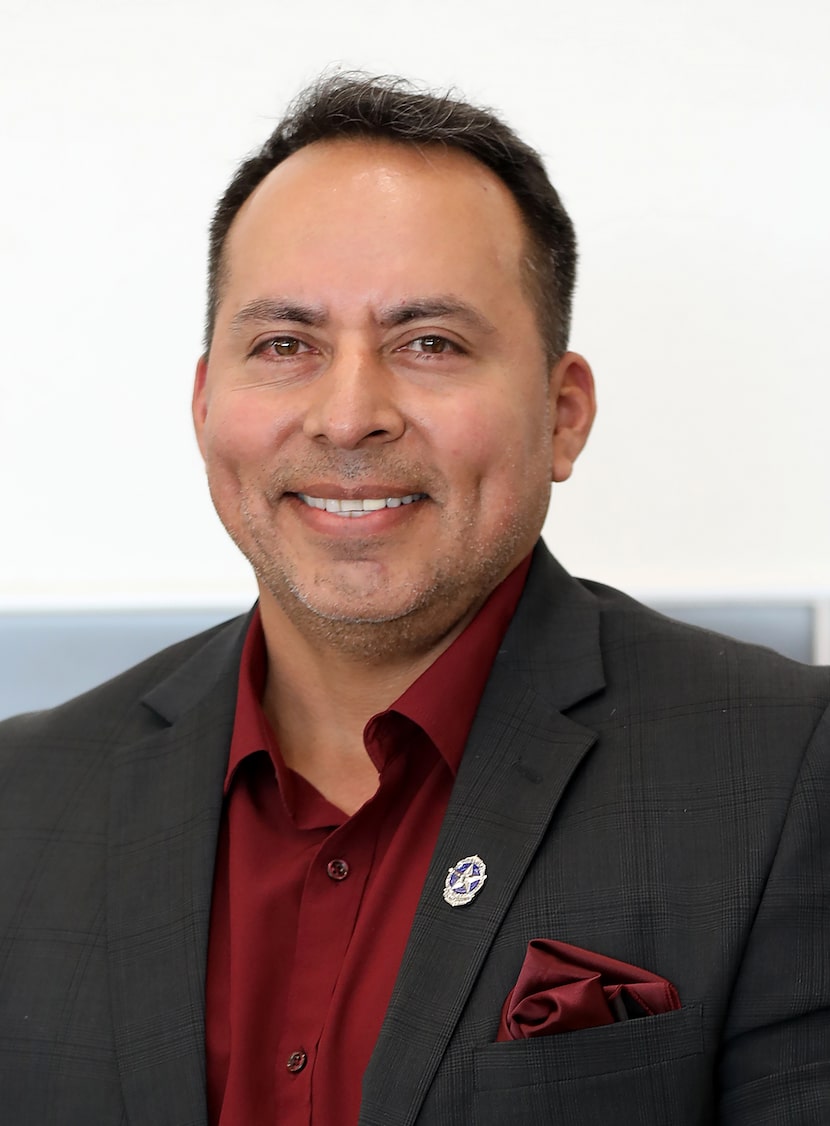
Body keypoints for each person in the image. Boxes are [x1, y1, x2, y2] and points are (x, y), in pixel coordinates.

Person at [0, 72, 828, 1126]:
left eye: (428, 343)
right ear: (206, 404)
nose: (348, 417)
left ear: (562, 413)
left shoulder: (789, 771)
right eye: (285, 345)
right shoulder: (20, 803)